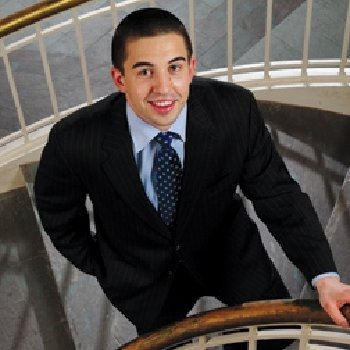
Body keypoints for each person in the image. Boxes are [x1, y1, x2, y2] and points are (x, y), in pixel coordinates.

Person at [34, 7, 350, 348]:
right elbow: (57, 211)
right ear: (119, 79)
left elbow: (278, 194)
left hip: (228, 254)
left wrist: (325, 277)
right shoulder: (75, 142)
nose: (163, 88)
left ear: (192, 68)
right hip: (144, 280)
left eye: (174, 68)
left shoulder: (234, 111)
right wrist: (102, 263)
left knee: (271, 336)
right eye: (144, 72)